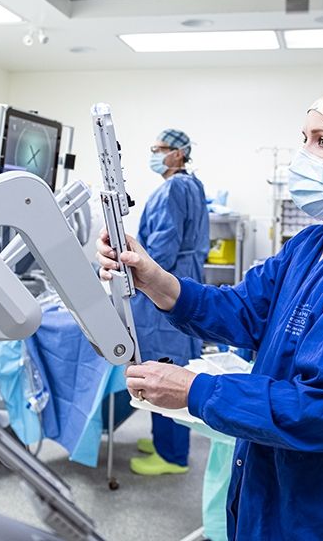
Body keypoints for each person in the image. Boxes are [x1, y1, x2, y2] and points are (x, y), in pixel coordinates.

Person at [98, 85, 323, 539]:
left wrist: (197, 391)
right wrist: (153, 278)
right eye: (304, 139)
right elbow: (243, 312)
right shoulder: (311, 244)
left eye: (322, 142)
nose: (301, 156)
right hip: (289, 489)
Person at [128, 128, 209, 476]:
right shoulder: (193, 184)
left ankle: (171, 455)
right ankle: (166, 442)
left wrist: (131, 269)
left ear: (178, 154)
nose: (154, 154)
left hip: (164, 280)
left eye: (159, 149)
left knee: (164, 367)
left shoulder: (173, 187)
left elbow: (162, 246)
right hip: (185, 276)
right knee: (177, 363)